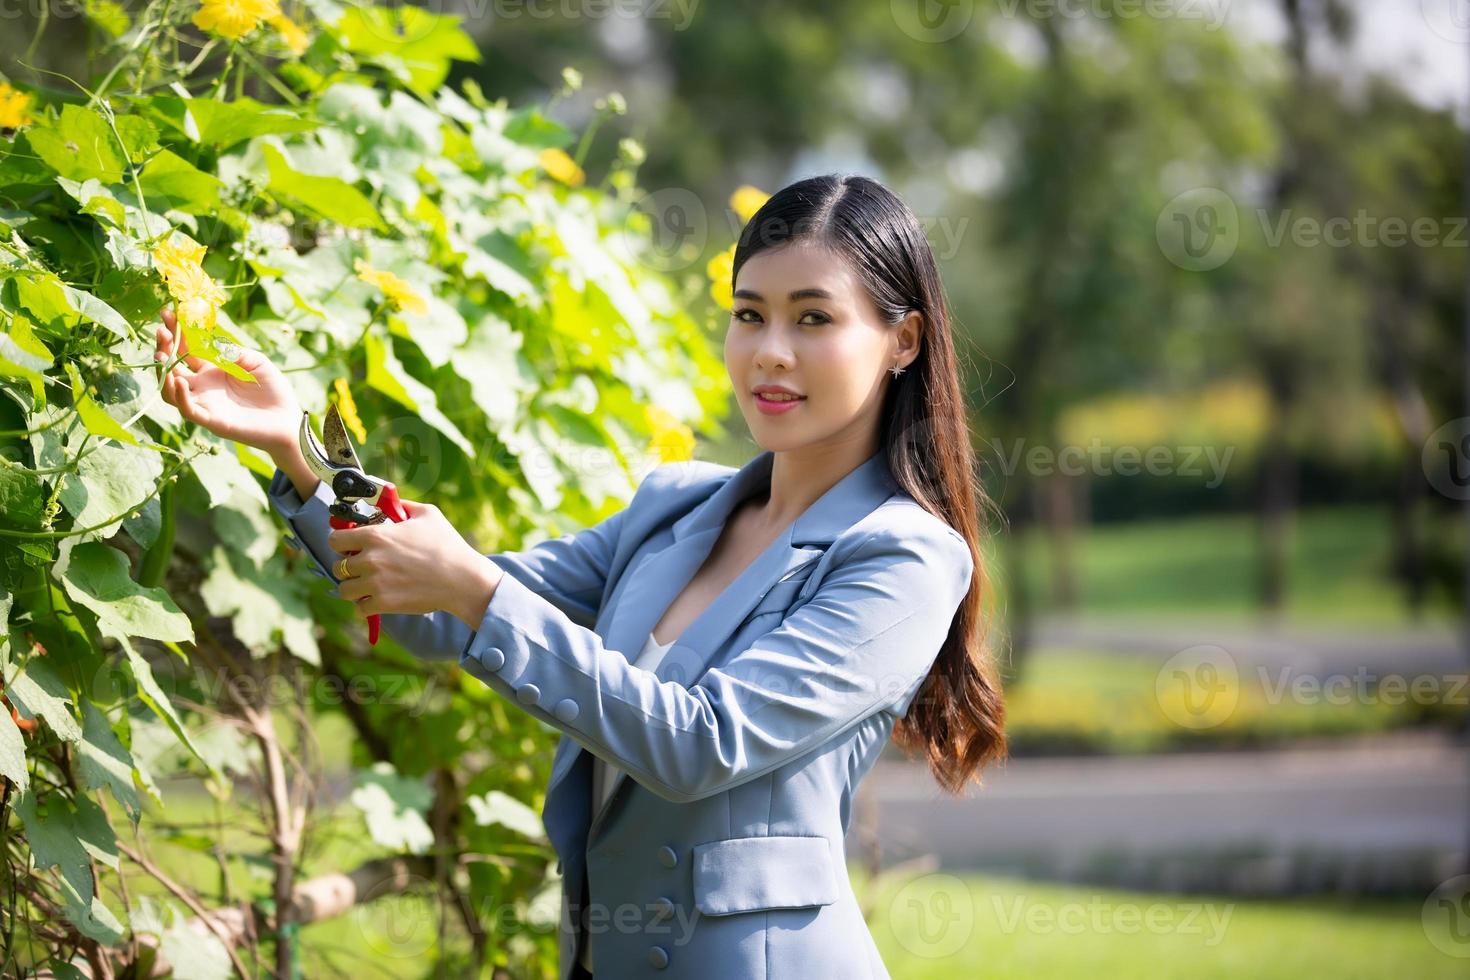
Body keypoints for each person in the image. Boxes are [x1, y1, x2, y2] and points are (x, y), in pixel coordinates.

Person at [155, 173, 1007, 979]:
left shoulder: (904, 556)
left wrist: (477, 593)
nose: (770, 352)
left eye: (813, 320)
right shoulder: (675, 509)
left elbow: (701, 743)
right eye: (750, 315)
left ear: (903, 339)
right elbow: (435, 609)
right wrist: (299, 456)